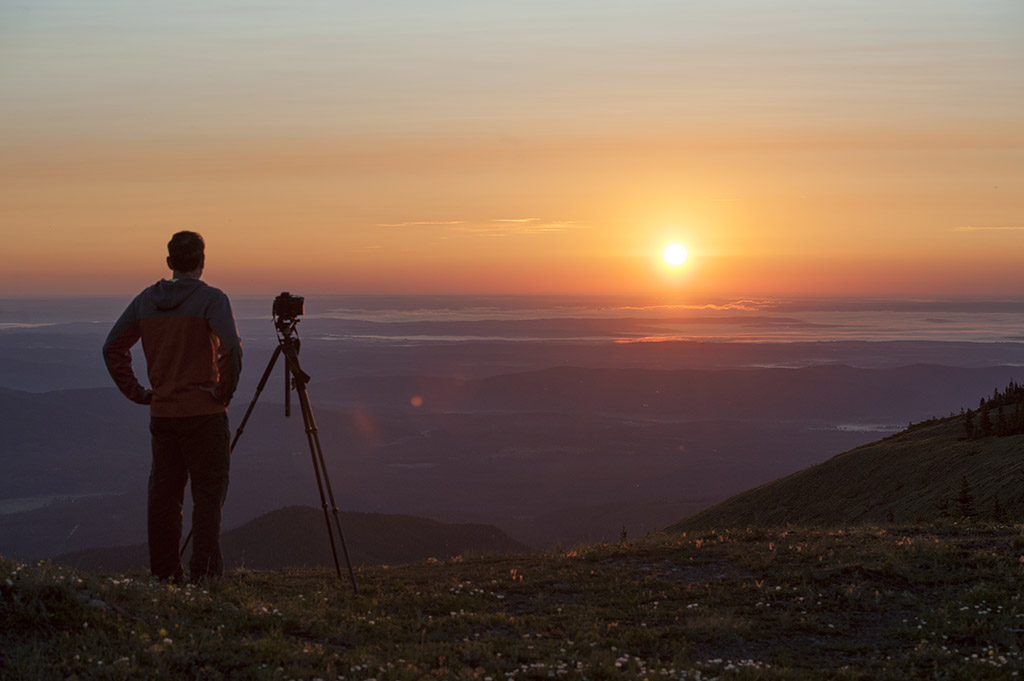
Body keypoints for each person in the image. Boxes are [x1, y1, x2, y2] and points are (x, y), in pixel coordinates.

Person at [103, 231, 242, 582]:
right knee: (208, 498)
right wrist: (222, 393)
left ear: (169, 263)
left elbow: (112, 348)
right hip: (205, 416)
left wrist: (139, 392)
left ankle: (165, 575)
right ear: (202, 261)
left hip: (163, 415)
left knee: (164, 499)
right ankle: (205, 576)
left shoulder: (145, 301)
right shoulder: (212, 299)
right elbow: (232, 350)